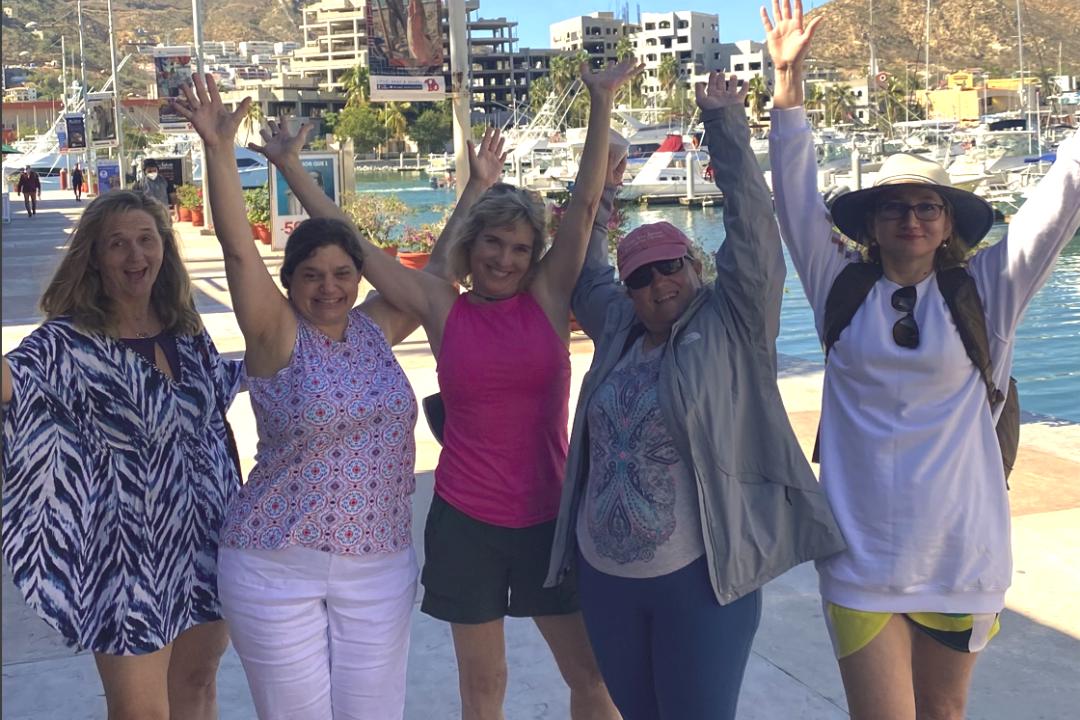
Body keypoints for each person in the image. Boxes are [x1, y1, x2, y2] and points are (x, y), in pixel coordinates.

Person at [258, 59, 640, 720]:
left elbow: (582, 207)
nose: (504, 259)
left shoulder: (549, 297)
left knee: (591, 677)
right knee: (483, 687)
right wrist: (292, 168)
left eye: (519, 248)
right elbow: (356, 245)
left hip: (548, 517)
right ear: (473, 243)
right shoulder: (443, 305)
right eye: (493, 243)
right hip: (466, 522)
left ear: (534, 256)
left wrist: (600, 101)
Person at [762, 2, 1080, 719]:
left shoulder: (988, 293)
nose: (911, 218)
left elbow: (1060, 203)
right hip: (859, 562)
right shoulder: (839, 287)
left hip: (963, 560)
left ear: (947, 225)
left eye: (927, 207)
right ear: (871, 225)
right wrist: (787, 84)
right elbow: (794, 197)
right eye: (894, 207)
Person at [543, 70, 845, 720]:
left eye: (669, 267)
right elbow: (585, 269)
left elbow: (754, 229)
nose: (657, 285)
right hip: (607, 582)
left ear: (694, 266)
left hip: (700, 582)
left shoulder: (734, 322)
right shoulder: (619, 325)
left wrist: (724, 124)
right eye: (640, 277)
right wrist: (605, 186)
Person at [176, 72, 441, 720]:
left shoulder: (375, 329)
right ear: (290, 281)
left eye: (343, 274)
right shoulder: (277, 334)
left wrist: (480, 187)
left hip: (380, 565)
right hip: (275, 565)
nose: (329, 287)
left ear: (360, 278)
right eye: (312, 275)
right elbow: (239, 253)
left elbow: (435, 278)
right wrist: (218, 150)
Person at [1, 189, 245, 720]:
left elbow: (215, 394)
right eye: (117, 244)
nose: (136, 256)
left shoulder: (185, 328)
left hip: (208, 537)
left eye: (146, 240)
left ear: (164, 248)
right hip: (125, 555)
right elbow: (10, 383)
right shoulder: (66, 343)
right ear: (93, 256)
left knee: (198, 685)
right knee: (140, 712)